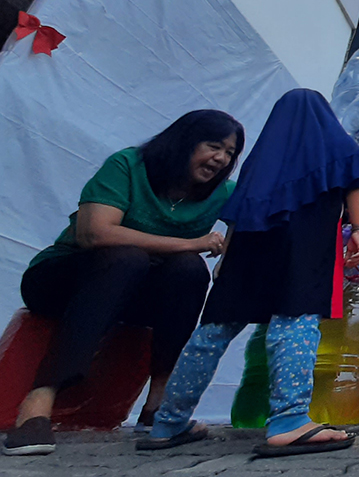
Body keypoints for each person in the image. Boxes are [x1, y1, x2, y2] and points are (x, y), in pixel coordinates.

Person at [137, 89, 359, 458]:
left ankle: (168, 421)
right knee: (294, 326)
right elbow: (355, 185)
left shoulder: (260, 160)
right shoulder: (336, 147)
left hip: (247, 254)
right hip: (302, 252)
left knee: (211, 332)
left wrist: (225, 259)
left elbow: (238, 210)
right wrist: (358, 230)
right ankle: (289, 420)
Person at [4, 110, 244, 456]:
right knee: (125, 257)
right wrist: (192, 243)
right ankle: (37, 404)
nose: (221, 159)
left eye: (230, 154)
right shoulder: (129, 166)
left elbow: (258, 214)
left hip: (133, 296)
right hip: (61, 282)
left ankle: (160, 402)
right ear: (185, 141)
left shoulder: (221, 193)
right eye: (214, 146)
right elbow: (95, 232)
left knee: (189, 270)